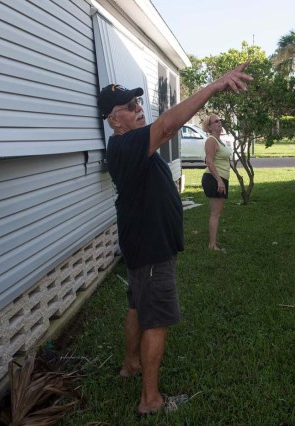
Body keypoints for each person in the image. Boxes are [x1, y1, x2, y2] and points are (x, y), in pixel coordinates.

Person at [98, 62, 252, 416]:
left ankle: (129, 364)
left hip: (142, 243)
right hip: (151, 247)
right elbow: (167, 126)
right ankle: (150, 400)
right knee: (157, 318)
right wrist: (213, 87)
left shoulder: (133, 145)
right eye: (129, 107)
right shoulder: (124, 146)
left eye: (138, 103)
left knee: (137, 305)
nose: (138, 109)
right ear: (113, 120)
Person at [201, 114, 232, 251]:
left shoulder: (219, 140)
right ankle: (212, 245)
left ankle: (213, 243)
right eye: (216, 121)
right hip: (214, 179)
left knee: (217, 212)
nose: (220, 123)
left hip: (220, 179)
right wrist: (219, 181)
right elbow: (209, 161)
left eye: (220, 120)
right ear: (209, 127)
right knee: (215, 213)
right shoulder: (211, 140)